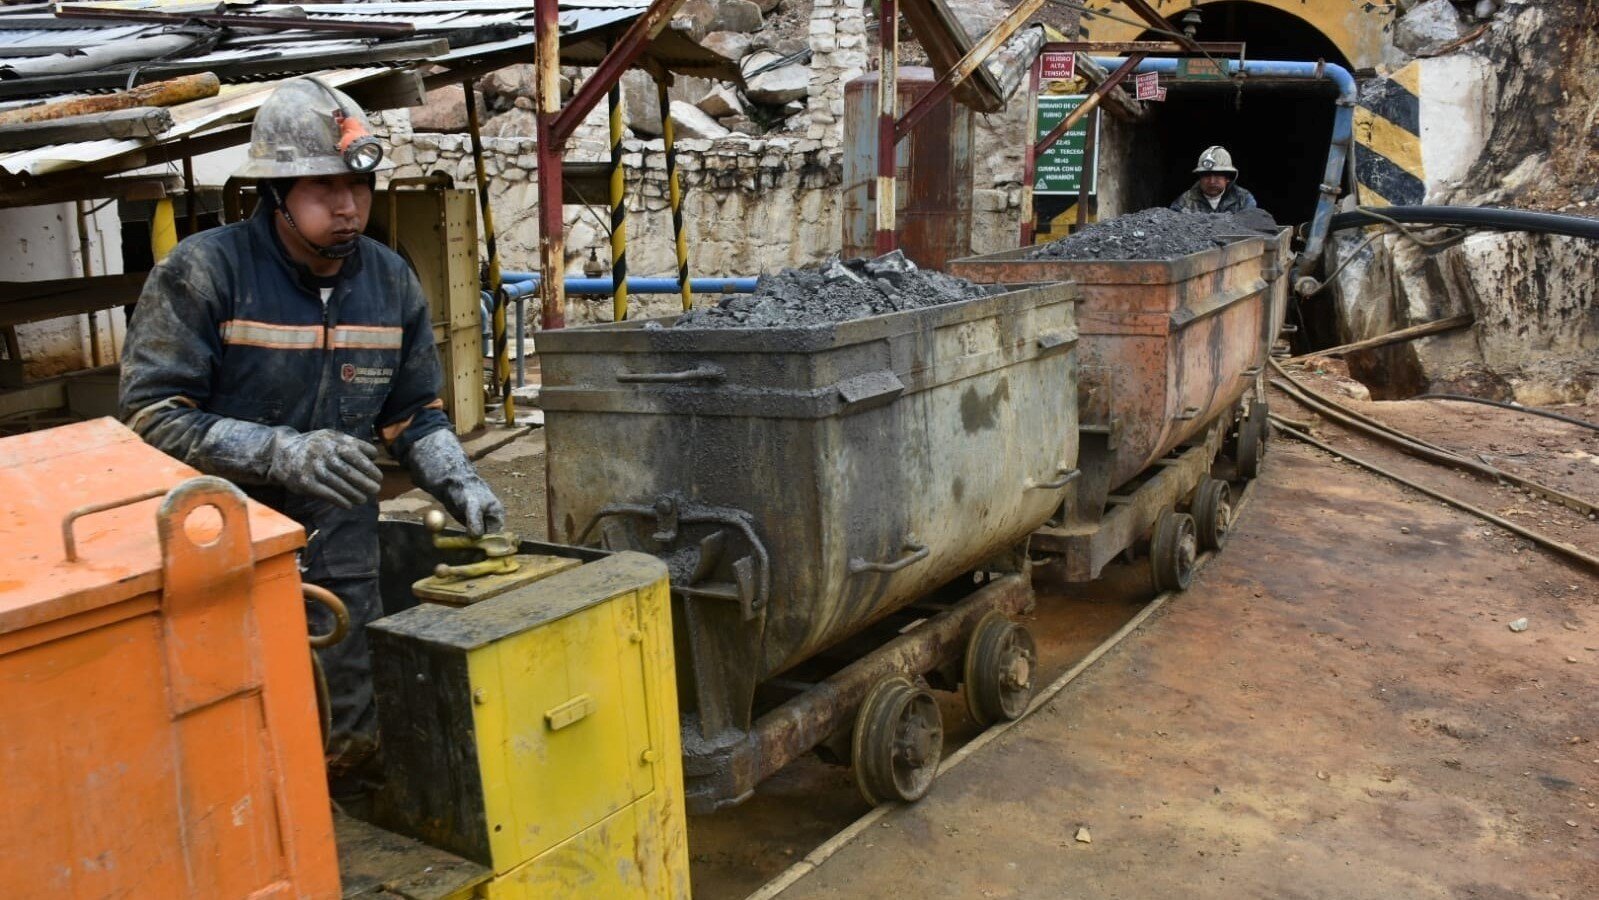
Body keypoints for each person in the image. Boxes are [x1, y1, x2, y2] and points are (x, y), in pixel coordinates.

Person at [118, 77, 505, 790]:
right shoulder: (204, 272)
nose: (347, 205)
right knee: (226, 688)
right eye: (323, 188)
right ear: (276, 192)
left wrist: (458, 476)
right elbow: (150, 417)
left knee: (343, 671)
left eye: (357, 186)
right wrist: (280, 450)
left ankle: (343, 798)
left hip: (337, 522)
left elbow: (412, 410)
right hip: (221, 526)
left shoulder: (389, 281)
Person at [1170, 145, 1258, 214]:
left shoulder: (1243, 199)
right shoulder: (1184, 202)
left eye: (1218, 175)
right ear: (1200, 178)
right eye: (1206, 175)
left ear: (1227, 178)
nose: (1212, 181)